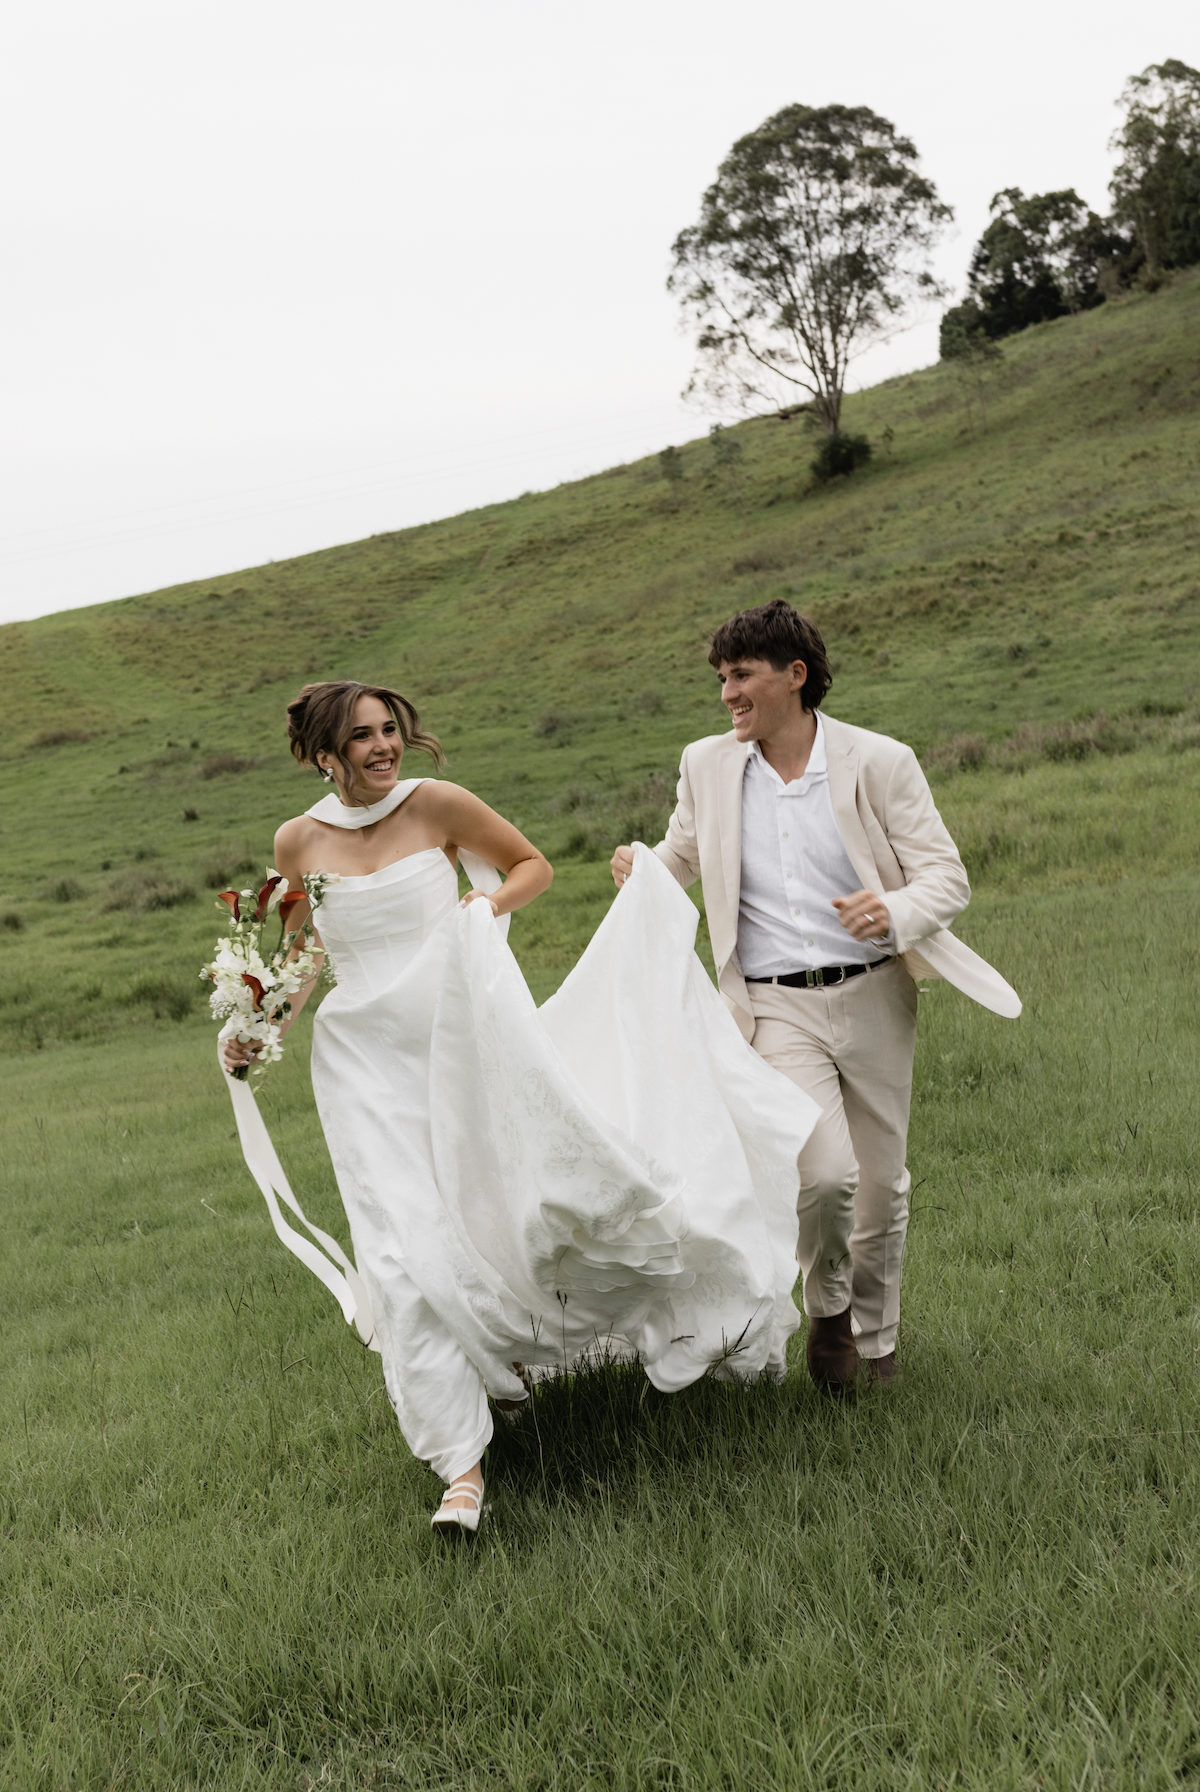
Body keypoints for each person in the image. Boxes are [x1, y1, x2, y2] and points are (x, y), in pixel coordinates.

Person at [220, 679, 819, 1535]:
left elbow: (531, 865)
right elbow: (308, 949)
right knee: (398, 1257)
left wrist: (485, 904)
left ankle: (528, 1357)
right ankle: (460, 1472)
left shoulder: (438, 805)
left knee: (494, 1220)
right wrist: (259, 1028)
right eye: (363, 738)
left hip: (456, 1040)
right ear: (325, 755)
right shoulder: (297, 840)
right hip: (361, 1065)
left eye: (391, 730)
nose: (385, 746)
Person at [611, 600, 1019, 1396]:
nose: (728, 693)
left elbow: (946, 875)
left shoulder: (879, 761)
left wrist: (894, 913)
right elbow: (683, 853)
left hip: (875, 995)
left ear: (795, 677)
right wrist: (643, 869)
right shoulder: (707, 765)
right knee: (823, 1175)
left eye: (742, 676)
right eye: (721, 678)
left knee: (880, 1181)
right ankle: (829, 1312)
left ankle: (878, 1343)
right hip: (772, 1007)